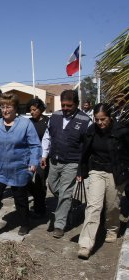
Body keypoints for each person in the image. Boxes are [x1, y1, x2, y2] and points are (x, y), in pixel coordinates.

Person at [0, 93, 41, 239]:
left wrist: (33, 162)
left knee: (20, 198)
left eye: (8, 107)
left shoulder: (25, 124)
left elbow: (35, 145)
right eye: (3, 106)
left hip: (19, 169)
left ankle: (25, 222)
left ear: (15, 108)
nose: (5, 110)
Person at [76, 103, 129, 259]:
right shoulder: (91, 131)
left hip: (115, 172)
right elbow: (85, 152)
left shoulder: (121, 131)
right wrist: (81, 171)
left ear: (110, 117)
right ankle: (86, 244)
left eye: (103, 119)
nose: (100, 123)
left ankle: (112, 228)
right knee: (93, 206)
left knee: (112, 205)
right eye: (97, 119)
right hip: (96, 171)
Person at [41, 90, 91, 238]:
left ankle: (59, 225)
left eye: (69, 105)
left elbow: (88, 147)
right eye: (63, 105)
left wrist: (83, 168)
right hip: (54, 160)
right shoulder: (55, 116)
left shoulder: (85, 121)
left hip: (72, 162)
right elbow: (47, 136)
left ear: (76, 104)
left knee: (64, 192)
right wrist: (44, 155)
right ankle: (69, 202)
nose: (65, 108)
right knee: (53, 186)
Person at [26, 98, 50, 217]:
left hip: (43, 158)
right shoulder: (28, 123)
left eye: (34, 110)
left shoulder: (48, 122)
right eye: (31, 110)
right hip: (29, 157)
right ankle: (36, 197)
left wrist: (45, 155)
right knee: (26, 180)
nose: (32, 112)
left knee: (40, 182)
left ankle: (39, 209)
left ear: (40, 109)